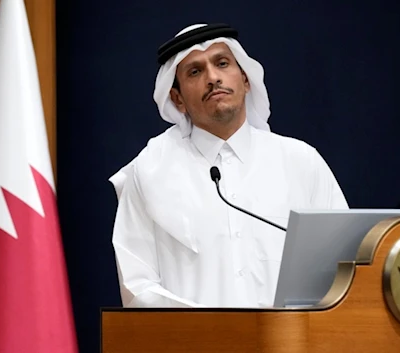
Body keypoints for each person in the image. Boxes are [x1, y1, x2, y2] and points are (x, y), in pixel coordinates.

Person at [109, 23, 348, 308]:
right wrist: (213, 332)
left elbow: (342, 269)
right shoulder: (148, 172)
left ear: (246, 80)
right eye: (195, 71)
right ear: (177, 99)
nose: (213, 77)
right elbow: (138, 286)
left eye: (222, 63)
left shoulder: (300, 163)